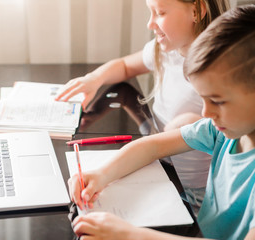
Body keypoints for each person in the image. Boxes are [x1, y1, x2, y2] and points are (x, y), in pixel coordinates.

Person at [68, 5, 255, 240]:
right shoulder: (220, 130)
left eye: (218, 101)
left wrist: (129, 235)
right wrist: (101, 174)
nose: (206, 112)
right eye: (204, 99)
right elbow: (154, 145)